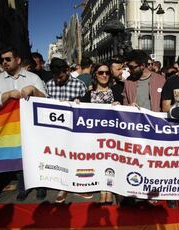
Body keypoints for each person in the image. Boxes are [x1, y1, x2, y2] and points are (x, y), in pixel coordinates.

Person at [0, 47, 48, 201]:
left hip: (33, 125)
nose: (4, 63)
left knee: (37, 154)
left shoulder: (33, 77)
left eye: (8, 59)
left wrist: (33, 90)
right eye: (2, 60)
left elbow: (46, 99)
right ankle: (24, 186)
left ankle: (40, 185)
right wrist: (7, 95)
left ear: (18, 60)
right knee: (18, 156)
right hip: (10, 127)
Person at [46, 57, 89, 203]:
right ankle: (63, 187)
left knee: (78, 157)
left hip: (76, 130)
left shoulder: (79, 85)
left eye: (61, 76)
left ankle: (80, 184)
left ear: (67, 71)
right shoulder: (49, 85)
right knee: (61, 157)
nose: (58, 80)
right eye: (55, 76)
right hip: (57, 130)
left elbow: (89, 109)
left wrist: (79, 103)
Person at [79, 63, 122, 205]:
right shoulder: (88, 95)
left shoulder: (116, 91)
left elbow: (126, 112)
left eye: (107, 73)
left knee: (110, 162)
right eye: (100, 73)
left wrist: (123, 107)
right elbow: (79, 111)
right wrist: (73, 105)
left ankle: (108, 190)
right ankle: (102, 189)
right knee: (99, 162)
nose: (104, 75)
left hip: (112, 137)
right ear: (95, 75)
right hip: (95, 137)